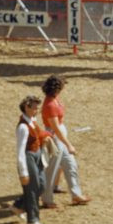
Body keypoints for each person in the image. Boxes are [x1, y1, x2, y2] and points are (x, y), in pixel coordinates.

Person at [40, 75, 91, 208]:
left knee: (70, 164)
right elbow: (55, 128)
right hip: (55, 138)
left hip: (59, 135)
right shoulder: (50, 105)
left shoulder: (54, 100)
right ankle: (46, 198)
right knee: (52, 168)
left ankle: (76, 194)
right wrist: (68, 144)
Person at [12, 95, 52, 224]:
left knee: (41, 185)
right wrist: (23, 171)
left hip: (37, 155)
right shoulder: (23, 127)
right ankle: (32, 219)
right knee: (33, 188)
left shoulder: (32, 121)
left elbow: (38, 134)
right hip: (29, 157)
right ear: (27, 108)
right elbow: (20, 151)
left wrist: (44, 139)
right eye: (34, 107)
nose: (37, 110)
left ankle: (19, 205)